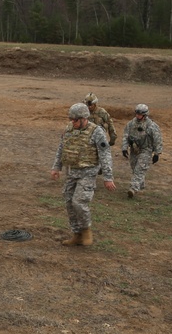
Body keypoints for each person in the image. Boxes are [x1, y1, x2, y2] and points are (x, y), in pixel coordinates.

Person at [50, 102, 116, 246]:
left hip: (88, 173)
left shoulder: (96, 132)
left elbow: (105, 155)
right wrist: (56, 167)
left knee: (79, 202)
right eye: (71, 119)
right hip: (72, 172)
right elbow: (61, 148)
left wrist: (108, 177)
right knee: (69, 202)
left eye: (75, 120)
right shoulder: (69, 129)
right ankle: (77, 234)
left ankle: (86, 230)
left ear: (84, 118)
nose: (72, 122)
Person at [122, 103, 164, 199]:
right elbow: (125, 136)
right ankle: (140, 183)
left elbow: (158, 139)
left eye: (140, 114)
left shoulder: (152, 126)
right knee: (134, 167)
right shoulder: (131, 124)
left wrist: (157, 153)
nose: (138, 116)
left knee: (139, 169)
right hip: (134, 149)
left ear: (145, 115)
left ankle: (133, 188)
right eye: (137, 114)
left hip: (146, 149)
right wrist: (124, 148)